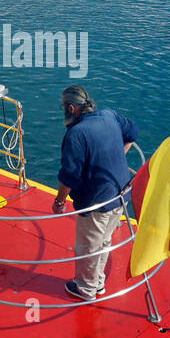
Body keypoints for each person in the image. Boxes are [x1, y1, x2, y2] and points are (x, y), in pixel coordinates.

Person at [53, 85, 138, 301]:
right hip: (120, 194)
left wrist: (59, 202)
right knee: (104, 241)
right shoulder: (109, 116)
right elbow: (132, 132)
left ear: (71, 108)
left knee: (87, 246)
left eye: (63, 107)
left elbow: (69, 176)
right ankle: (98, 282)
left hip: (96, 201)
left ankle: (86, 289)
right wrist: (120, 154)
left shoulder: (76, 135)